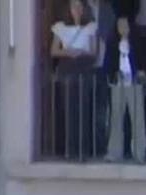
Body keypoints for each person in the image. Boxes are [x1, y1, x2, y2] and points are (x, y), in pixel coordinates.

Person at [50, 0, 98, 160]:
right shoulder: (61, 27)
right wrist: (69, 52)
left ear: (84, 9)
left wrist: (80, 52)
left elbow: (93, 51)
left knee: (83, 110)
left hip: (83, 69)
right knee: (69, 110)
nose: (76, 9)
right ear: (69, 9)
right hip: (67, 70)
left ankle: (83, 150)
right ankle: (70, 150)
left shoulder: (90, 26)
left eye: (79, 6)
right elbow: (54, 50)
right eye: (73, 6)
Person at [104, 16, 146, 162]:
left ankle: (139, 152)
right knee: (116, 118)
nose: (122, 29)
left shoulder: (137, 43)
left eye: (125, 25)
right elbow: (108, 64)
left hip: (134, 84)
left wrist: (141, 72)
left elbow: (143, 61)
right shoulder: (112, 44)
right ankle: (114, 152)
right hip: (118, 85)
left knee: (137, 119)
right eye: (119, 26)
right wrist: (114, 74)